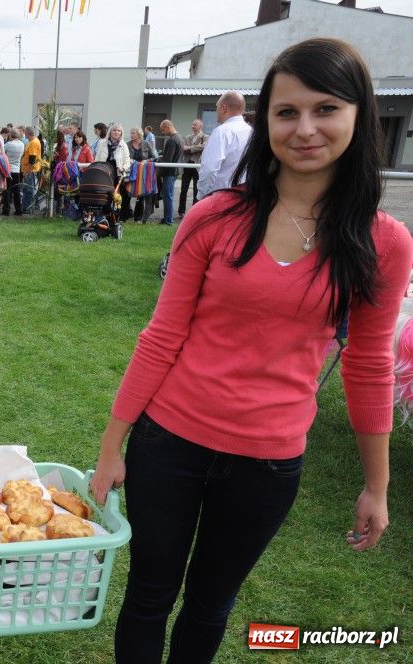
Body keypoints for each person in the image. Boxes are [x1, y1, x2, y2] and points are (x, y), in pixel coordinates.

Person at [90, 38, 412, 664]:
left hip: (267, 466)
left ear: (357, 116)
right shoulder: (214, 218)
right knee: (148, 596)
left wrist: (378, 485)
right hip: (168, 446)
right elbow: (161, 337)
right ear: (266, 123)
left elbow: (371, 365)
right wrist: (112, 447)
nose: (305, 128)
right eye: (287, 112)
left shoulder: (383, 241)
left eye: (326, 109)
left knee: (211, 605)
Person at [197, 90, 253, 201]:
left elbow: (209, 169)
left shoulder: (221, 132)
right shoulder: (251, 131)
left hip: (220, 199)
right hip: (244, 198)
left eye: (217, 107)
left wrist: (202, 196)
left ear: (224, 108)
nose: (216, 111)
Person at [127, 126, 157, 223]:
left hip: (144, 173)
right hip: (131, 173)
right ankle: (125, 215)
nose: (131, 135)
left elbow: (154, 157)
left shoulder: (146, 143)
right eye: (131, 133)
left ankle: (138, 218)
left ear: (139, 134)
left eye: (133, 133)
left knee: (141, 195)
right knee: (128, 193)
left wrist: (146, 160)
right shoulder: (127, 144)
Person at [178, 119, 208, 216]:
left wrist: (190, 148)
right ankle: (181, 211)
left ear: (200, 126)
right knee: (183, 189)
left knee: (197, 189)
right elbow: (183, 148)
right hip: (187, 165)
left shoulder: (205, 137)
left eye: (195, 125)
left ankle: (194, 212)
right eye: (192, 125)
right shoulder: (187, 137)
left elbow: (203, 147)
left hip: (197, 166)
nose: (193, 126)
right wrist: (194, 148)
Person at [157, 119, 183, 226]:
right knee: (168, 195)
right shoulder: (179, 137)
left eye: (163, 130)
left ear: (168, 126)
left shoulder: (172, 140)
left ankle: (168, 220)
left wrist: (158, 161)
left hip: (170, 172)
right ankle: (167, 218)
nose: (163, 133)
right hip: (174, 171)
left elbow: (168, 159)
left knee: (168, 196)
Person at [1, 128, 25, 217]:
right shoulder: (22, 144)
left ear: (11, 135)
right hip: (17, 170)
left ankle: (6, 210)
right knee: (17, 191)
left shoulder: (8, 144)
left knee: (6, 191)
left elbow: (2, 155)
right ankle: (19, 210)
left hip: (8, 170)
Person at [21, 126, 42, 213]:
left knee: (29, 189)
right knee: (26, 189)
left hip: (30, 170)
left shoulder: (33, 143)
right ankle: (25, 207)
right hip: (29, 169)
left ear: (27, 133)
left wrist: (27, 172)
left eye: (25, 133)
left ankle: (27, 208)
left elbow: (32, 159)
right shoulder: (33, 141)